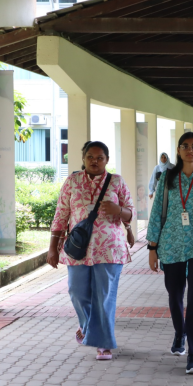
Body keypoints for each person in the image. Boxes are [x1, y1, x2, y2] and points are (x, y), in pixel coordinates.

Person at [47, 141, 136, 361]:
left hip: (110, 249)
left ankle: (103, 344)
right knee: (76, 292)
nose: (95, 161)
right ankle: (88, 327)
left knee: (104, 297)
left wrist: (119, 211)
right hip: (78, 248)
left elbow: (131, 212)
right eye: (90, 157)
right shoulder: (73, 181)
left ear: (107, 160)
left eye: (100, 158)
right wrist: (52, 248)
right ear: (83, 158)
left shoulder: (116, 182)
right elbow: (61, 214)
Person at [147, 132, 193, 375]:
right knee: (175, 294)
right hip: (171, 245)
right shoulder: (168, 178)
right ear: (178, 151)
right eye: (185, 146)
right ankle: (180, 332)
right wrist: (152, 248)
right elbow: (157, 211)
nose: (190, 150)